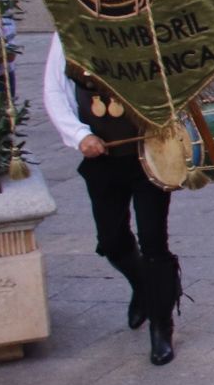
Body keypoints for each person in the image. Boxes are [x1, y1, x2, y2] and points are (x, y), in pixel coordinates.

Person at [44, 35, 182, 364]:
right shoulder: (69, 27)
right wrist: (81, 135)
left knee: (153, 242)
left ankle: (162, 325)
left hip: (149, 154)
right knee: (110, 240)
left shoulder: (146, 17)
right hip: (101, 157)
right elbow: (54, 89)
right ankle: (144, 287)